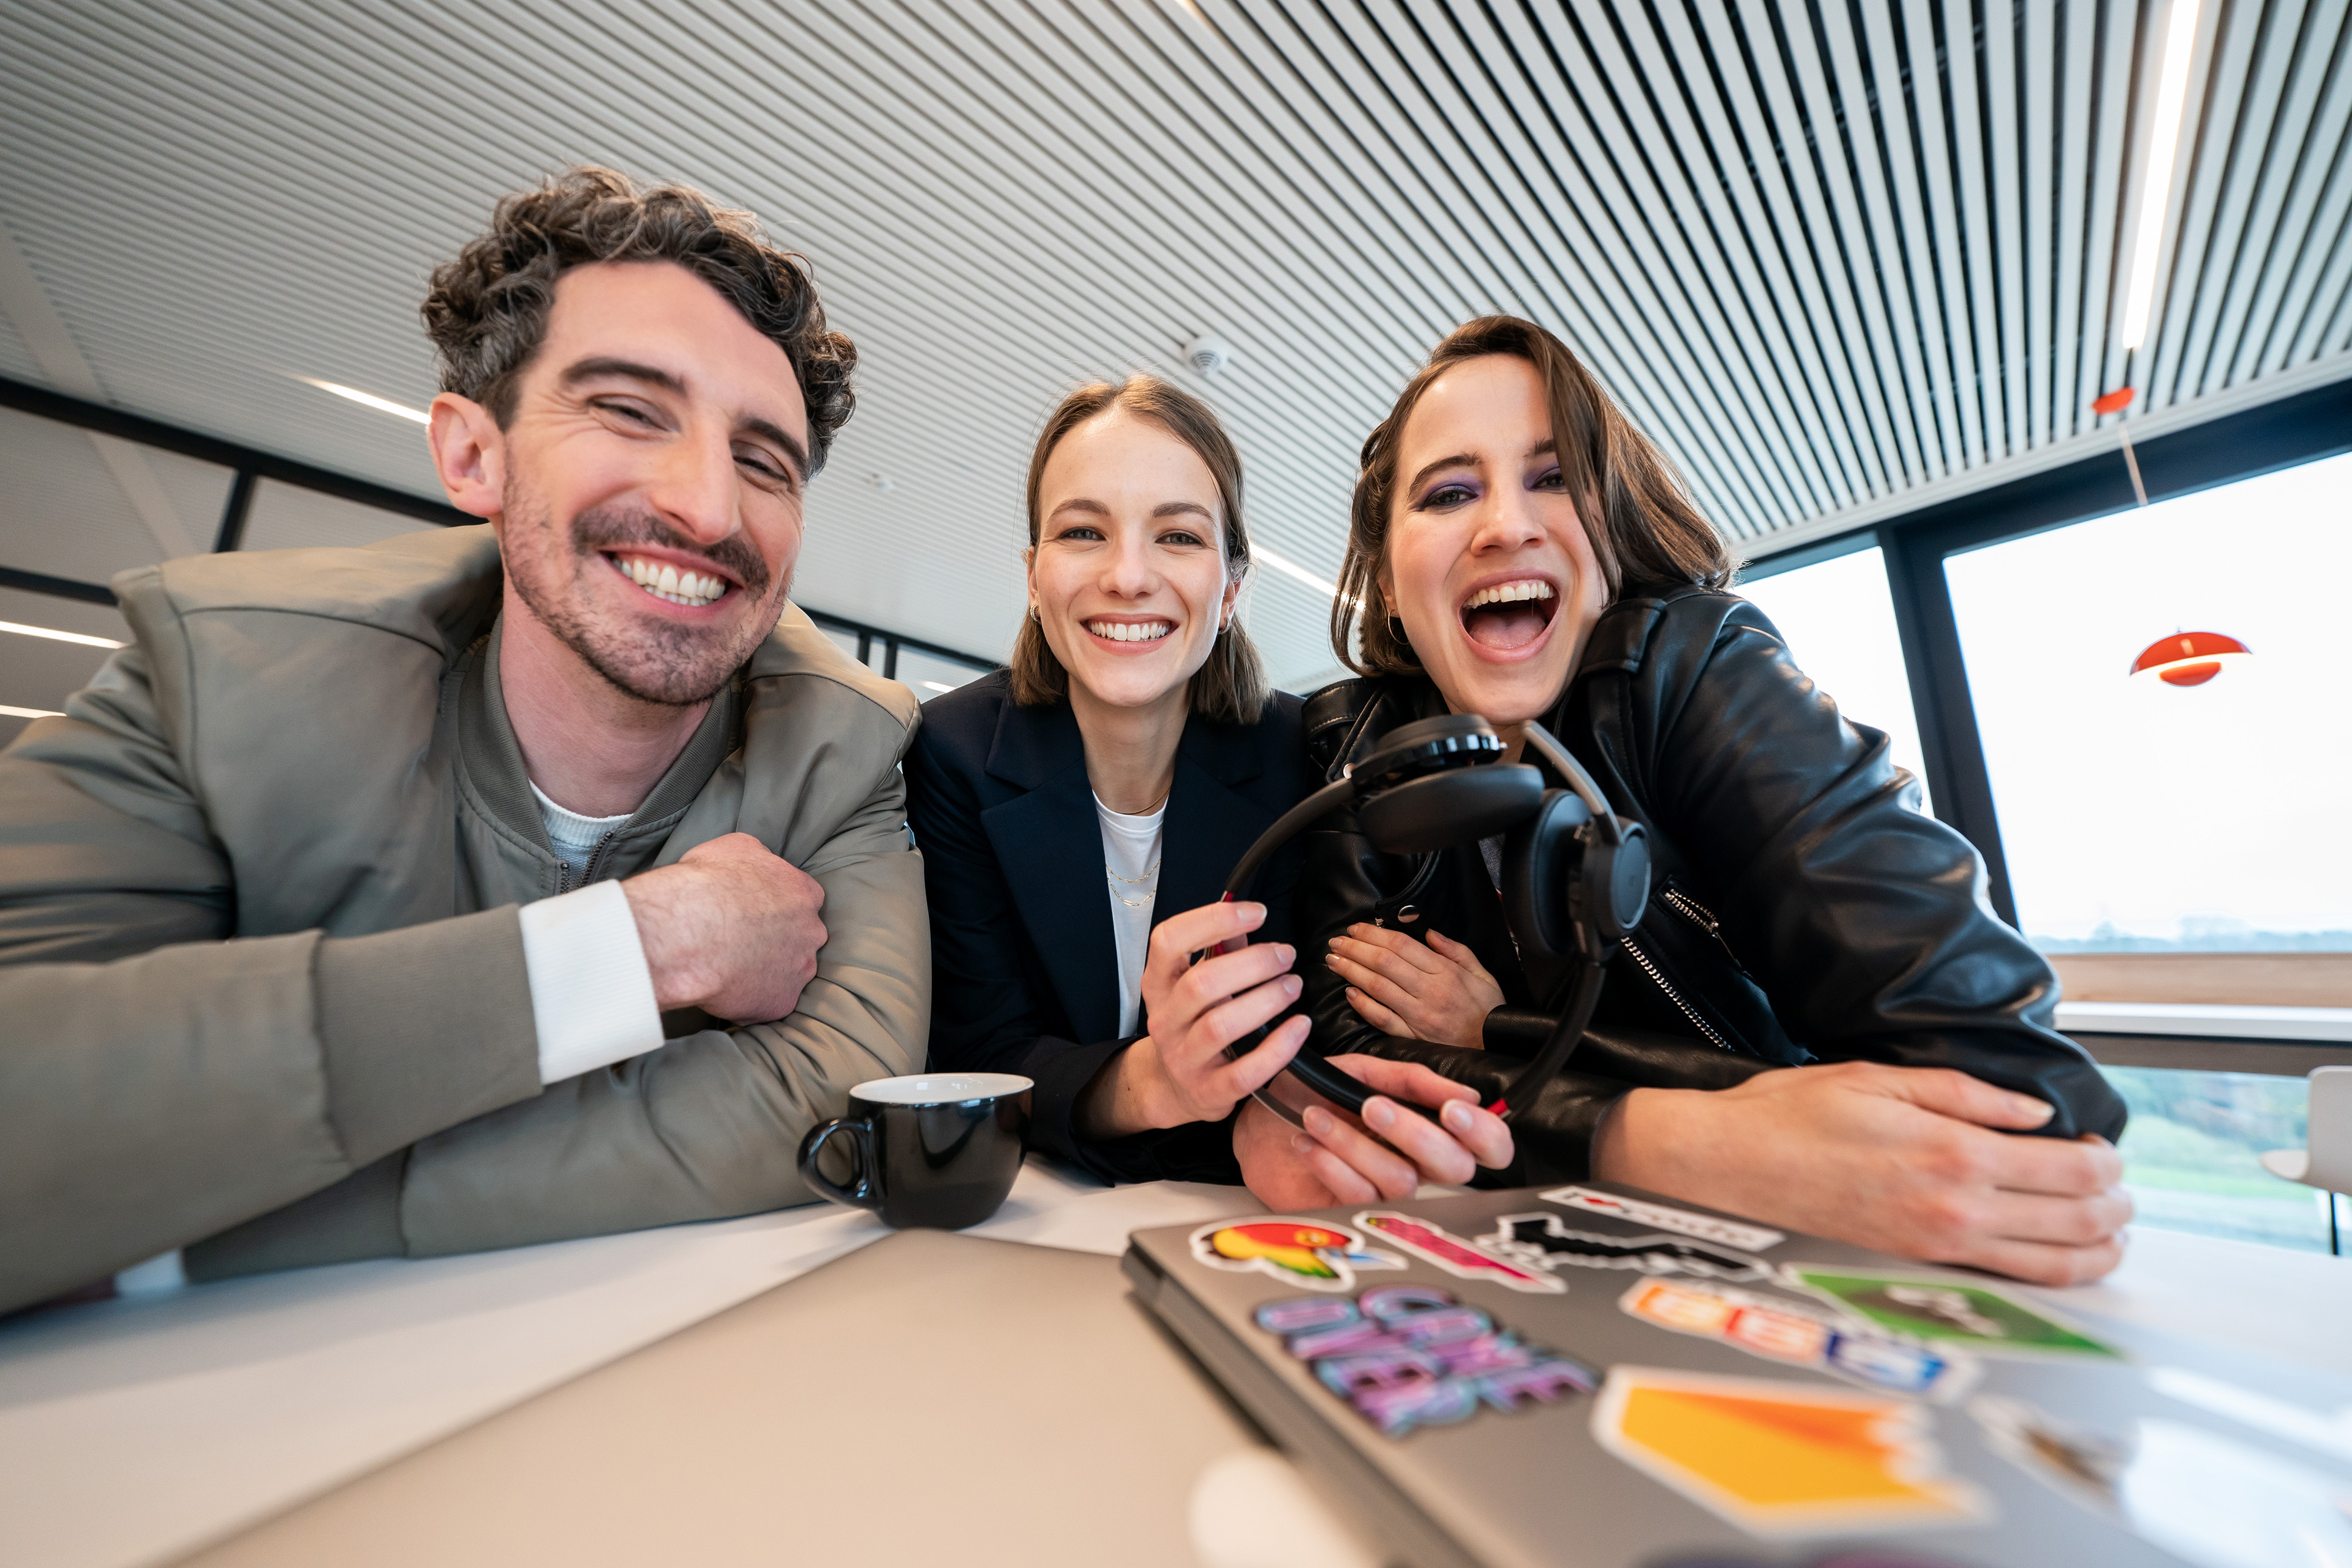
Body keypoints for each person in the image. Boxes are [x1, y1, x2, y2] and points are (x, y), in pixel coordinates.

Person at [0, 168, 928, 1316]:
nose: (708, 507)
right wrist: (639, 946)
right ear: (473, 455)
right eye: (630, 410)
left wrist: (199, 1219)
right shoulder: (218, 676)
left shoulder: (847, 741)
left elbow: (842, 1108)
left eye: (764, 460)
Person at [1236, 316, 2133, 1287]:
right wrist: (1683, 1142)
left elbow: (2023, 1112)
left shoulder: (1694, 671)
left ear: (1611, 532)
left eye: (1553, 478)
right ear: (1387, 576)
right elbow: (1344, 1073)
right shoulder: (1354, 743)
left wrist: (1496, 1036)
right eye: (1450, 493)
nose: (1504, 526)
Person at [908, 376, 1481, 1187]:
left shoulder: (1312, 759)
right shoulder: (952, 752)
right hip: (1034, 1198)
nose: (1128, 576)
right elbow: (980, 1053)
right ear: (1035, 578)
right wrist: (1151, 1085)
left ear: (1232, 588)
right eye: (1083, 532)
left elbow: (1322, 1035)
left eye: (1177, 536)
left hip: (1236, 1198)